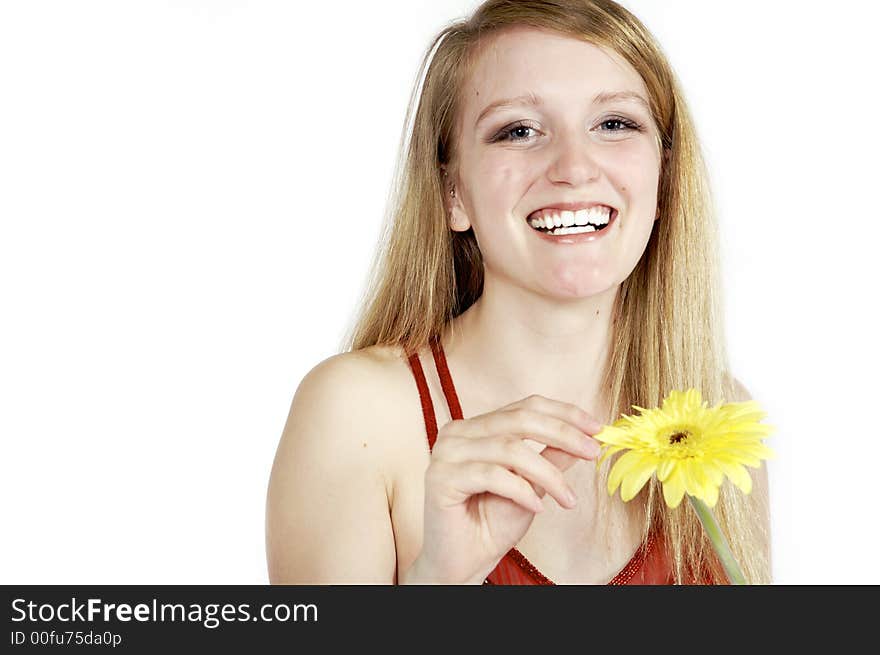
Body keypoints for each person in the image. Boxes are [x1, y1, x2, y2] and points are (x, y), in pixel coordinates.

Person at [265, 0, 771, 585]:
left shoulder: (720, 421)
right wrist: (439, 579)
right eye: (519, 130)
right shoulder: (355, 414)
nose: (574, 167)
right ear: (453, 193)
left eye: (614, 123)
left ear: (663, 177)